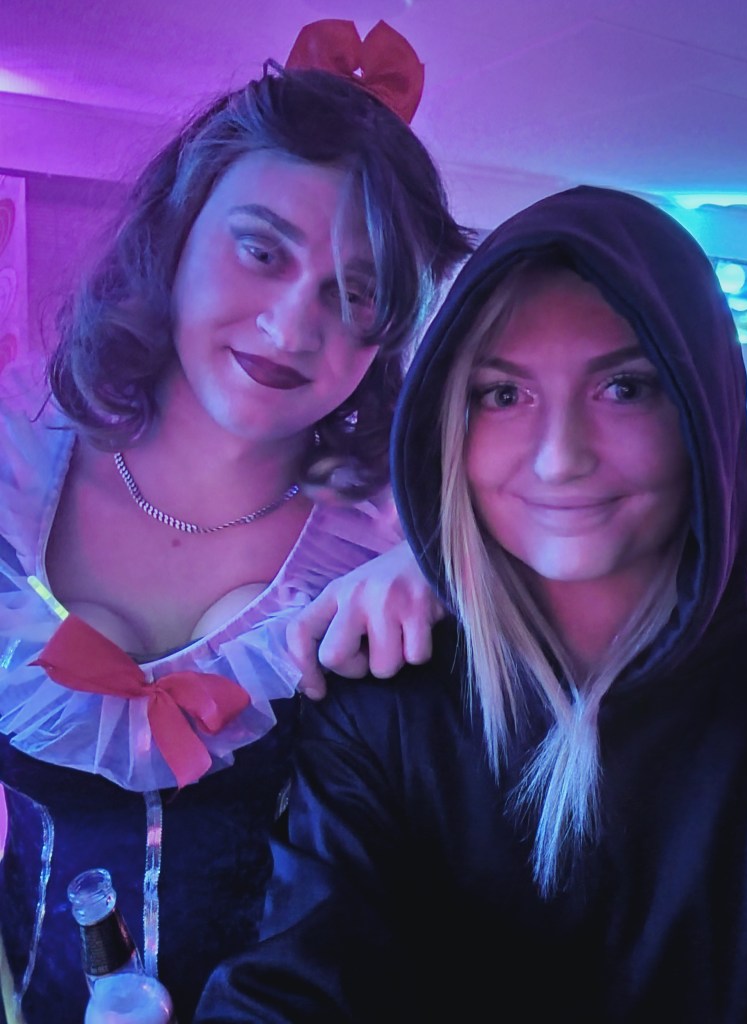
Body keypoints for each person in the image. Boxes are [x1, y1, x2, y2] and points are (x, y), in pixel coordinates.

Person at [193, 185, 747, 1024]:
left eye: (625, 388)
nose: (560, 458)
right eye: (504, 395)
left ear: (702, 413)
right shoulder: (384, 709)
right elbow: (299, 981)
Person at [0, 18, 472, 1024]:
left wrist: (460, 580)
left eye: (356, 292)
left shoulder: (393, 541)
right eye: (262, 249)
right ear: (177, 231)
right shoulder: (12, 471)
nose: (293, 325)